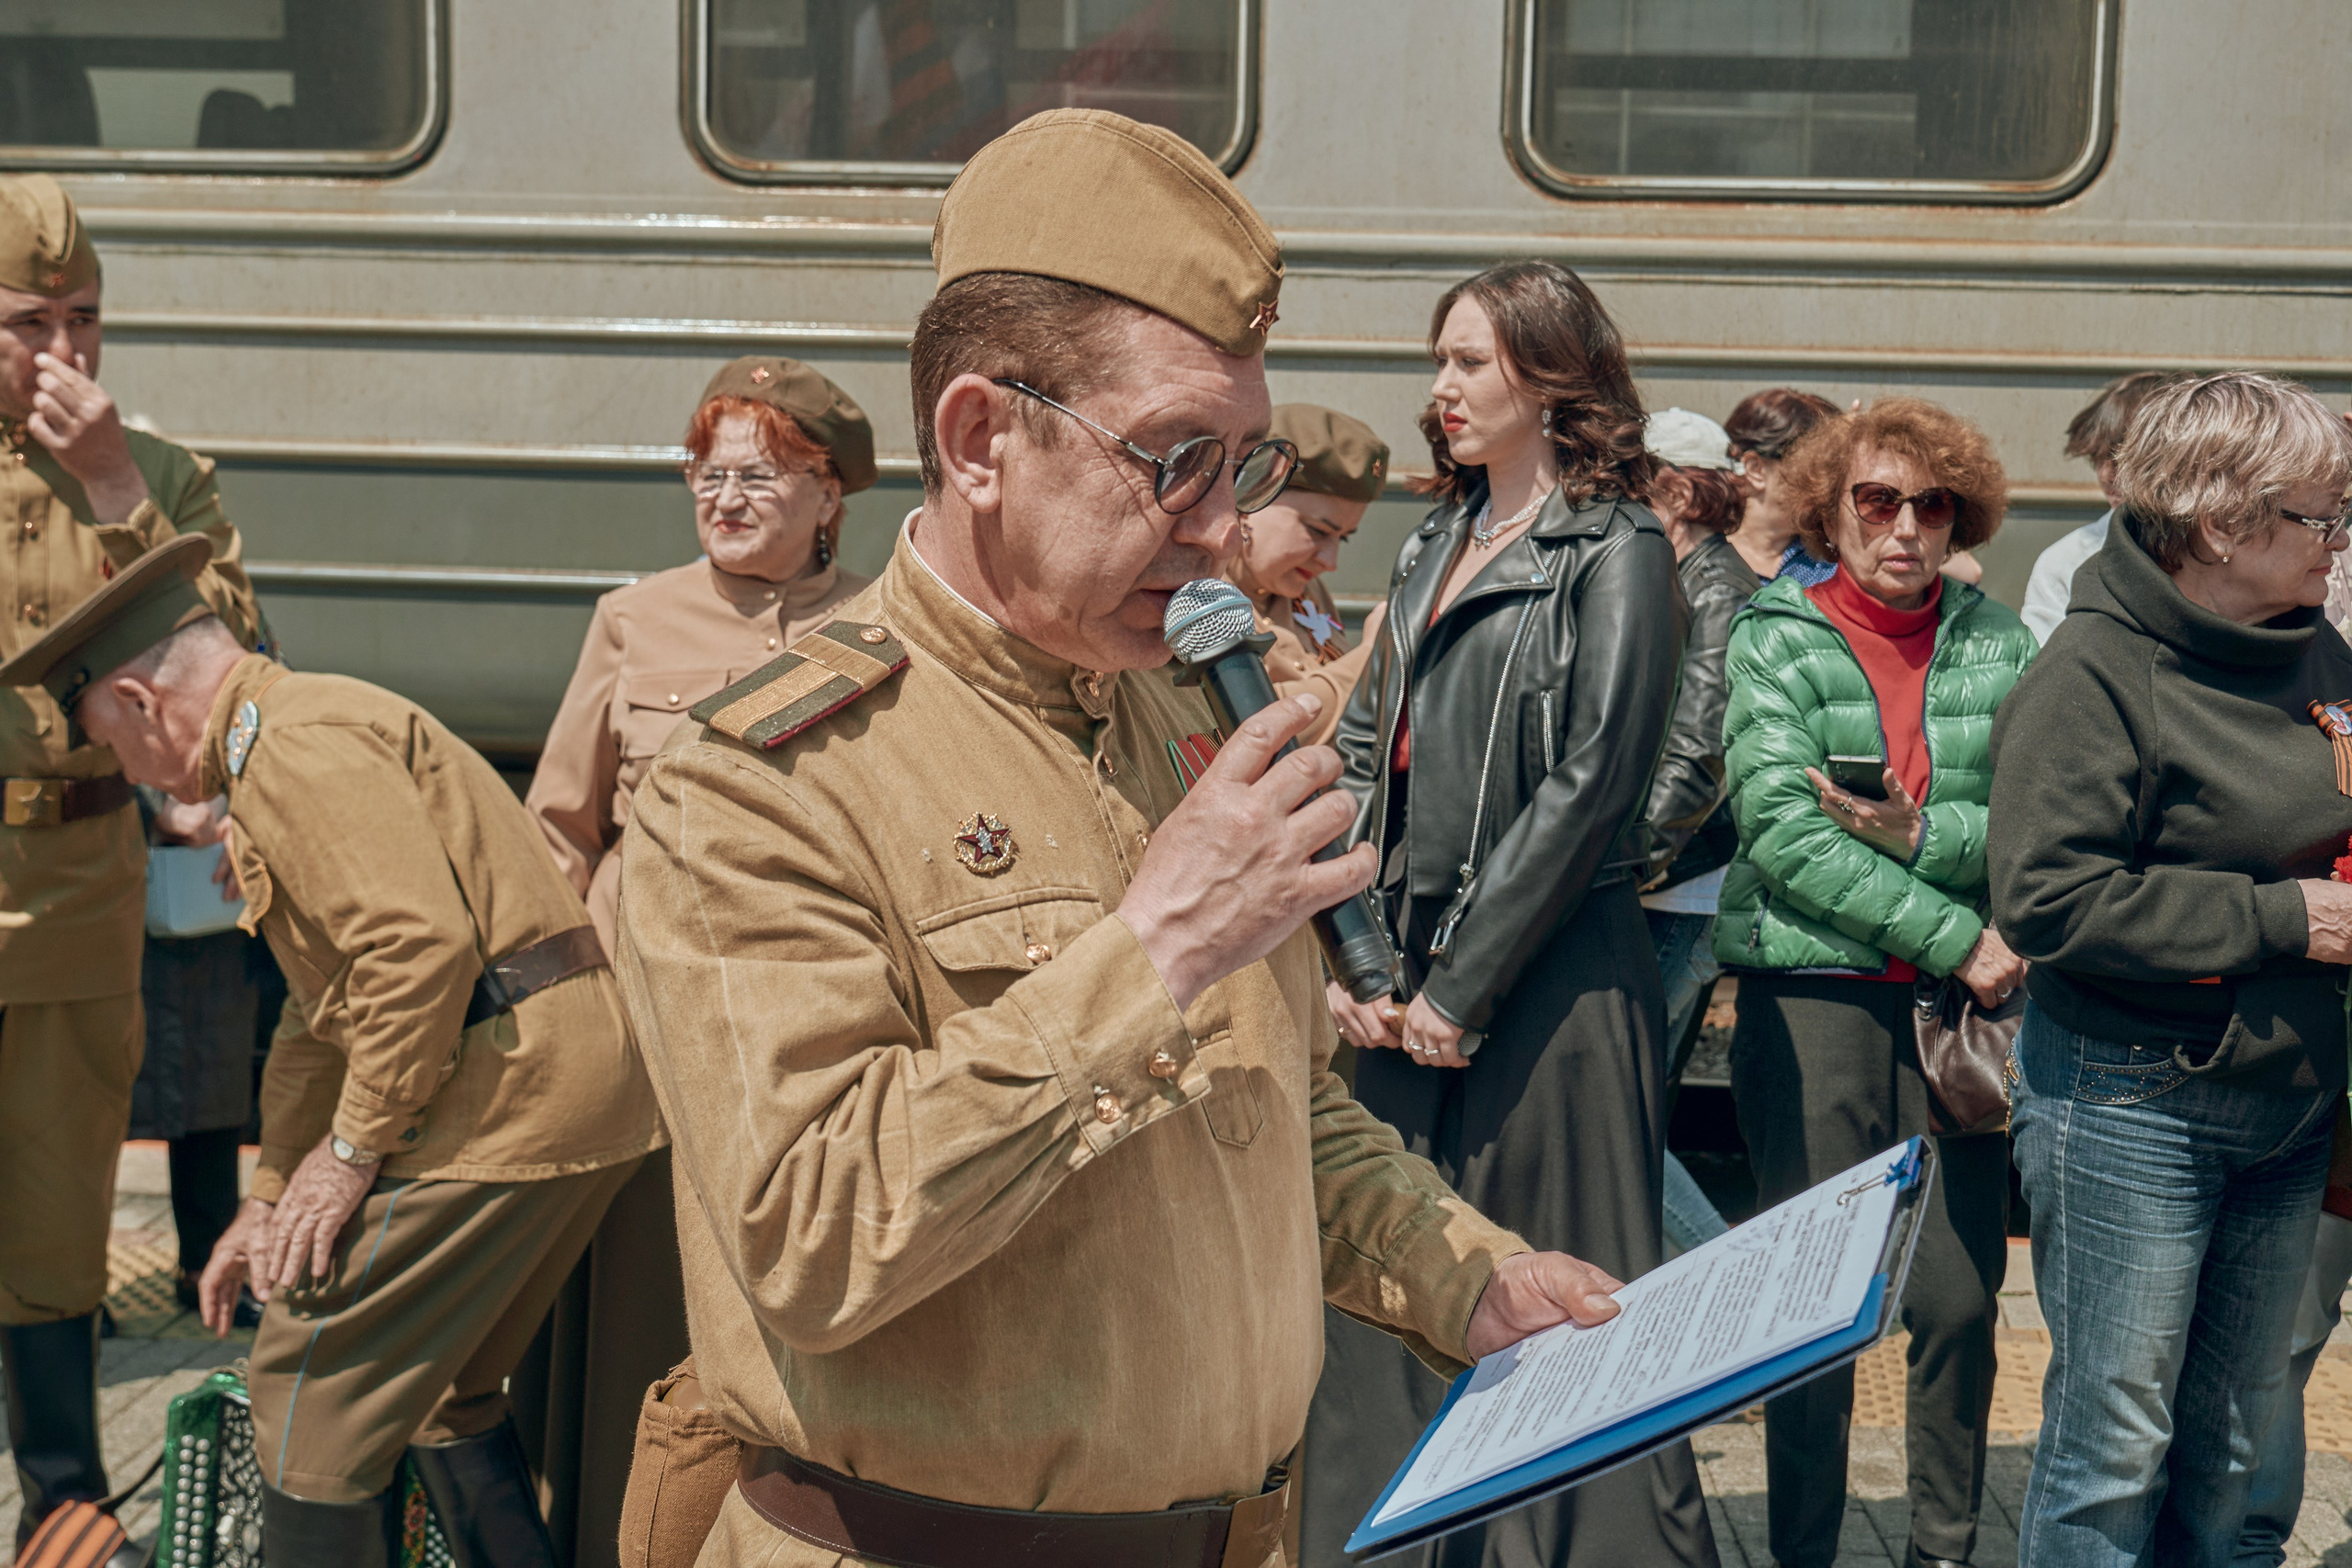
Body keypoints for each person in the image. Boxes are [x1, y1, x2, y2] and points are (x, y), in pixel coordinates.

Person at [613, 108, 1627, 1568]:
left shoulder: (1179, 708)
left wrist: (1461, 1271)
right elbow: (816, 1237)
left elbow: (1274, 1104)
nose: (1222, 529)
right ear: (979, 441)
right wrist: (1153, 946)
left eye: (1245, 465)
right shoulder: (760, 779)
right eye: (1173, 459)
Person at [0, 535, 664, 1566]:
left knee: (307, 1388)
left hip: (508, 1086)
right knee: (440, 1391)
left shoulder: (288, 751)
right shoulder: (287, 738)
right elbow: (322, 1016)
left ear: (139, 701)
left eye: (108, 745)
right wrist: (269, 1190)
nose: (124, 775)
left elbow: (414, 953)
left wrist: (348, 1155)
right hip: (561, 1078)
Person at [1317, 260, 1714, 1568]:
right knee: (1388, 1295)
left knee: (1567, 1310)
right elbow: (1369, 742)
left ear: (1553, 375)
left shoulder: (1620, 544)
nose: (1442, 387)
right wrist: (1358, 955)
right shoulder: (1434, 539)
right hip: (1408, 972)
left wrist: (1459, 988)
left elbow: (1597, 777)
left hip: (1548, 981)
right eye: (1439, 360)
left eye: (1471, 362)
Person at [1988, 371, 2352, 1567]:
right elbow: (2049, 898)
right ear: (2218, 524)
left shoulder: (2313, 651)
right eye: (2318, 516)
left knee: (2234, 1441)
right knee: (2114, 1446)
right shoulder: (2093, 672)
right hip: (2132, 1099)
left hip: (2288, 1099)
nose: (2337, 540)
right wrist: (2282, 918)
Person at [1714, 398, 2033, 1568]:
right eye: (1876, 501)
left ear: (1961, 517)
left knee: (1955, 1304)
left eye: (1930, 505)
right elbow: (1782, 833)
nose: (1904, 528)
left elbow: (2038, 821)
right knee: (1812, 1310)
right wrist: (1960, 935)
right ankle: (1800, 1546)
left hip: (1960, 1020)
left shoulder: (2000, 640)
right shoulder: (1774, 635)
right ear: (1830, 511)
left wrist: (1915, 837)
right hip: (1817, 1005)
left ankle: (1942, 1549)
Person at [0, 172, 262, 1560]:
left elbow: (237, 674)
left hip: (74, 878)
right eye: (28, 321)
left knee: (56, 1186)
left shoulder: (157, 473)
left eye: (86, 318)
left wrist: (108, 482)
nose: (66, 353)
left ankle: (58, 1487)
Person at [528, 355, 876, 954]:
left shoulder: (878, 620)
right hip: (646, 968)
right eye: (709, 475)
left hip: (818, 970)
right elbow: (560, 827)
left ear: (826, 496)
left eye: (758, 477)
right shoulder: (631, 618)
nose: (727, 500)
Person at [1637, 406, 1758, 1256]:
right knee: (1633, 1113)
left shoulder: (1715, 590)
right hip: (1681, 886)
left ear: (1675, 491)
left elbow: (1699, 754)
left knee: (1613, 1125)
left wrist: (1623, 864)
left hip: (1677, 892)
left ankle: (1748, 1292)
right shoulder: (1695, 580)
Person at [131, 786, 266, 1328]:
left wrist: (250, 825)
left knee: (216, 1067)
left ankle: (208, 1265)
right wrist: (154, 809)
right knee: (90, 1097)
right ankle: (77, 1284)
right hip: (105, 873)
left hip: (211, 882)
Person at [1224, 401, 1389, 746]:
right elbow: (1248, 730)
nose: (1331, 562)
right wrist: (1375, 658)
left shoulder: (1303, 586)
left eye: (1342, 538)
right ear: (1253, 495)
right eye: (1317, 531)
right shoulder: (1200, 600)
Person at [2018, 370, 2187, 644]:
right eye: (2098, 459)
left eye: (2122, 458)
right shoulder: (2066, 561)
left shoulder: (2215, 554)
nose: (2107, 475)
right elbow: (2044, 669)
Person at [1724, 388, 1841, 584]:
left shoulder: (1832, 564)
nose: (1830, 482)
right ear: (1755, 469)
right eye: (1814, 467)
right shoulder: (1702, 561)